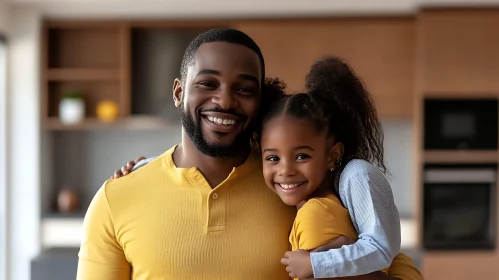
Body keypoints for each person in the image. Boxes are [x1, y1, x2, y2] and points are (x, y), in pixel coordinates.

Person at [84, 28, 421, 279]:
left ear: (260, 102)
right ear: (178, 91)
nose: (226, 101)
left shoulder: (294, 185)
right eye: (208, 83)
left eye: (244, 89)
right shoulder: (117, 198)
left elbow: (393, 261)